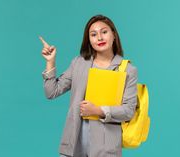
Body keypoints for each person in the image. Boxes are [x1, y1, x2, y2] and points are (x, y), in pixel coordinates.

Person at [40, 14, 138, 157]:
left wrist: (98, 110)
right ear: (89, 40)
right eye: (93, 34)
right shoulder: (79, 63)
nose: (99, 38)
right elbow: (51, 92)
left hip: (106, 150)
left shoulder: (128, 70)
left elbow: (128, 111)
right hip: (73, 147)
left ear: (114, 35)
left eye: (104, 32)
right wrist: (51, 62)